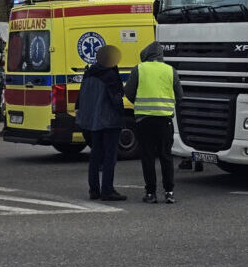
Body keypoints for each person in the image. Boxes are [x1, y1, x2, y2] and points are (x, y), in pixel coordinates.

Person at [124, 41, 183, 204]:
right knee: (166, 156)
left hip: (144, 120)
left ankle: (151, 193)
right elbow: (180, 95)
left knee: (148, 157)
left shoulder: (139, 69)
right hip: (165, 120)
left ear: (146, 55)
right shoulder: (171, 71)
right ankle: (169, 192)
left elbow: (128, 92)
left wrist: (139, 102)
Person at [75, 45, 126, 202]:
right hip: (109, 120)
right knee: (110, 157)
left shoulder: (89, 73)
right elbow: (116, 99)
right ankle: (107, 190)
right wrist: (121, 113)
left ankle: (94, 190)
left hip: (93, 121)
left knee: (95, 155)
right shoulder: (110, 75)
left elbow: (80, 98)